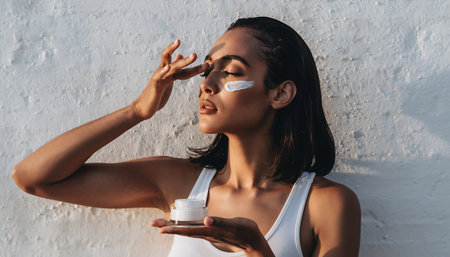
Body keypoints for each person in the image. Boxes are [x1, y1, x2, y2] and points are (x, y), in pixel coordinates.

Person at [12, 17, 361, 257]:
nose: (207, 84)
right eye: (208, 70)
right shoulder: (179, 184)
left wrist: (257, 250)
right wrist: (138, 110)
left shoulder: (326, 204)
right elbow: (33, 178)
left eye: (231, 72)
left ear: (281, 94)